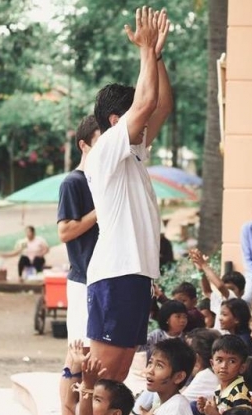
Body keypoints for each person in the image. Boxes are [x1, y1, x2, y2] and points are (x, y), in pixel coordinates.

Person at [84, 7, 173, 382]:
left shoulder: (133, 151)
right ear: (116, 122)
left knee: (117, 376)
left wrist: (157, 56)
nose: (147, 124)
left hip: (135, 274)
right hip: (116, 273)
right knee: (99, 376)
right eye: (137, 117)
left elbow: (161, 105)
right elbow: (147, 102)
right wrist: (144, 50)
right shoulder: (106, 150)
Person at [57, 114, 101, 415]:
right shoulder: (74, 183)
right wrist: (100, 209)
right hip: (83, 279)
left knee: (96, 358)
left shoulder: (107, 180)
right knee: (77, 356)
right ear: (84, 145)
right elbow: (65, 231)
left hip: (105, 280)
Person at [64, 343, 135, 415]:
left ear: (114, 414)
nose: (87, 400)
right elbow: (70, 402)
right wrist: (77, 365)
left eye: (96, 399)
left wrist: (88, 386)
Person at [136, 338, 198, 415]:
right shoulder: (165, 403)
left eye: (159, 365)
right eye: (150, 363)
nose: (150, 370)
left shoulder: (176, 410)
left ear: (178, 377)